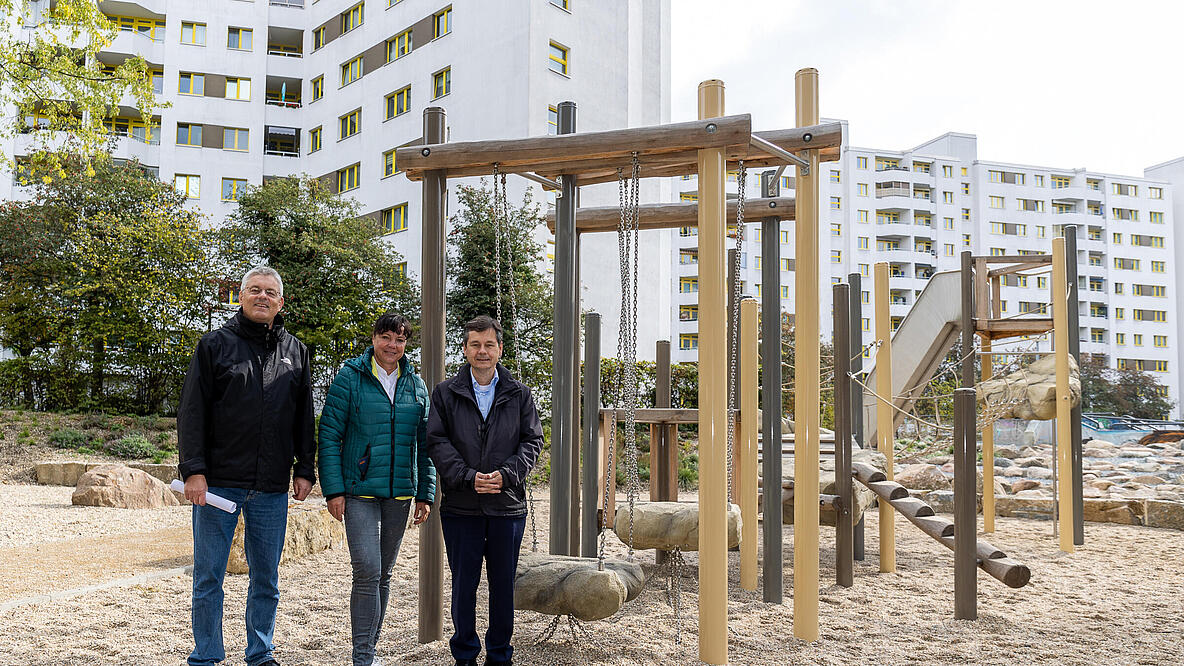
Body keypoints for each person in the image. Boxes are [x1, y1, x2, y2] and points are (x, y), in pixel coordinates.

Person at [177, 265, 316, 666]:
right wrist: (194, 470)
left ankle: (260, 653)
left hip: (271, 487)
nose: (262, 297)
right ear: (240, 297)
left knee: (267, 580)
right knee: (208, 578)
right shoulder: (214, 346)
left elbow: (304, 417)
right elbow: (192, 412)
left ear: (281, 302)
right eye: (254, 290)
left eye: (270, 292)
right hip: (218, 483)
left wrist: (305, 469)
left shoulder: (296, 352)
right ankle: (206, 655)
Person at [317, 313, 436, 666]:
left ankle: (369, 650)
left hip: (399, 494)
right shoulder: (349, 378)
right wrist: (333, 490)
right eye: (386, 337)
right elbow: (329, 435)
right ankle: (363, 657)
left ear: (405, 344)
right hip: (358, 492)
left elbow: (426, 444)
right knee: (367, 568)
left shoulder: (416, 384)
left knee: (384, 573)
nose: (392, 345)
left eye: (399, 340)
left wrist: (426, 493)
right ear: (374, 338)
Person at [426, 315, 543, 666]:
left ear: (500, 349)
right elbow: (436, 439)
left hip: (507, 506)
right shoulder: (446, 393)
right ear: (465, 349)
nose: (482, 351)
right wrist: (466, 475)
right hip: (461, 506)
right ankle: (464, 654)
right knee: (464, 586)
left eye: (489, 345)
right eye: (475, 344)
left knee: (502, 587)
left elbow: (533, 440)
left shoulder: (519, 394)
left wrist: (507, 474)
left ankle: (499, 655)